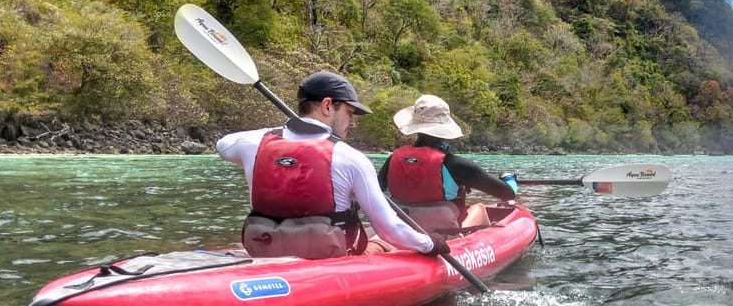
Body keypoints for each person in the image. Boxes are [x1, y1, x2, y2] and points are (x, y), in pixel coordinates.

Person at [215, 71, 449, 259]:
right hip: (332, 261)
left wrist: (278, 131)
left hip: (266, 252)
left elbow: (223, 144)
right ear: (328, 106)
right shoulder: (351, 158)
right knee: (381, 240)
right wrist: (429, 244)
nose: (353, 123)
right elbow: (389, 229)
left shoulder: (253, 144)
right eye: (350, 112)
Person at [378, 94, 519, 235]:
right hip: (442, 233)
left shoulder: (393, 159)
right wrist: (509, 179)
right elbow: (508, 194)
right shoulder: (458, 166)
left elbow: (376, 193)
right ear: (445, 130)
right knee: (480, 209)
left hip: (400, 228)